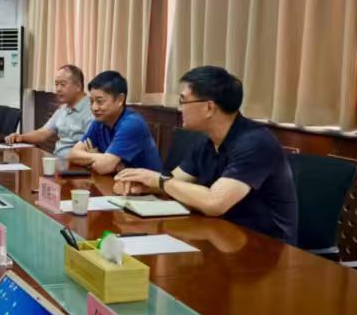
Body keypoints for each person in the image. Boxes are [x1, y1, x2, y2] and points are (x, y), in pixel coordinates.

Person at [115, 65, 298, 245]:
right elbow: (175, 181)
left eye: (183, 101)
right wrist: (144, 185)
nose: (180, 109)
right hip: (221, 235)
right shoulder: (206, 141)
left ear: (209, 107)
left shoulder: (256, 143)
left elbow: (214, 203)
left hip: (266, 247)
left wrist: (159, 181)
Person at [67, 70, 163, 174]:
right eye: (91, 101)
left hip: (144, 183)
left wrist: (90, 158)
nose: (94, 108)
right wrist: (100, 157)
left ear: (120, 100)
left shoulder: (132, 124)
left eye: (100, 101)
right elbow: (72, 155)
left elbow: (103, 167)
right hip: (116, 179)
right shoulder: (99, 122)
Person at [5, 64, 92, 156]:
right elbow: (43, 133)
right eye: (56, 84)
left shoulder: (91, 111)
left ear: (78, 86)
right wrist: (21, 137)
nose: (58, 89)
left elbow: (91, 147)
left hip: (75, 162)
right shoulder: (63, 109)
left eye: (63, 84)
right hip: (57, 158)